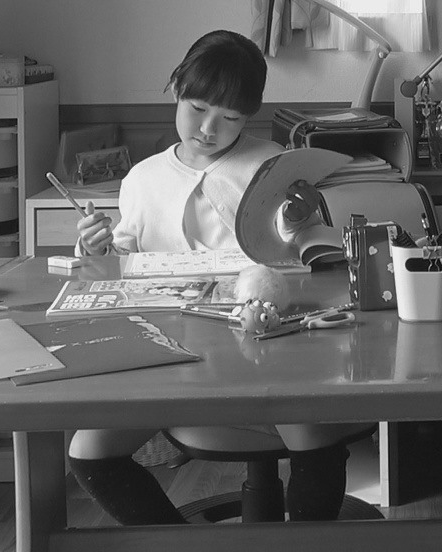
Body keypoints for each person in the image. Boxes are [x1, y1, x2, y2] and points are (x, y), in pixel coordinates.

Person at [69, 30, 366, 525]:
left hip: (268, 349)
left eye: (230, 119)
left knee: (317, 443)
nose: (208, 130)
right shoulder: (143, 178)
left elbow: (302, 249)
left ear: (249, 117)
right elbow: (124, 263)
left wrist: (299, 221)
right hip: (172, 358)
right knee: (89, 453)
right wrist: (95, 249)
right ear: (175, 89)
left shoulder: (269, 164)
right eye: (198, 108)